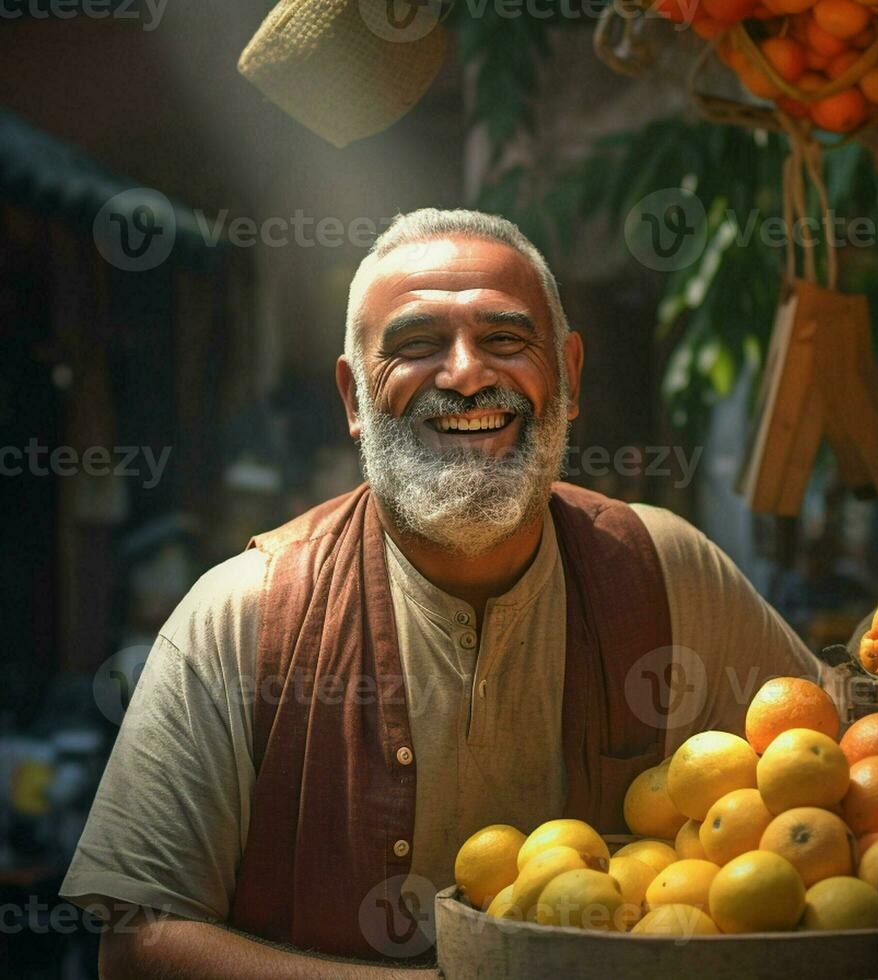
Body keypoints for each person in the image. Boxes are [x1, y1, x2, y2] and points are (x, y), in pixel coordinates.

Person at [63, 210, 825, 978]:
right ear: (355, 398)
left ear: (569, 376)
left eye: (504, 340)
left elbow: (837, 783)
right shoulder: (240, 617)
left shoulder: (666, 570)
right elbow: (142, 943)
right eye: (417, 345)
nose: (465, 376)